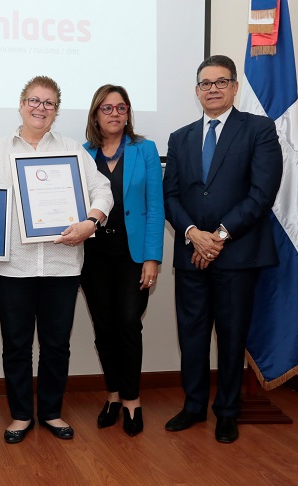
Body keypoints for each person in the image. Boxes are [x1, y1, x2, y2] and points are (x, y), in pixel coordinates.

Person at [0, 76, 113, 444]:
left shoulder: (72, 151)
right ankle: (21, 415)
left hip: (61, 266)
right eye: (34, 101)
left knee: (56, 345)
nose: (40, 108)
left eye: (49, 103)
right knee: (16, 344)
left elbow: (102, 188)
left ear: (56, 111)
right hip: (11, 267)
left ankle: (50, 412)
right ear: (21, 105)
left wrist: (90, 222)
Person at [162, 55, 283, 443]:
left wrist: (220, 237)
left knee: (232, 336)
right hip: (191, 252)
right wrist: (195, 233)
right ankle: (194, 406)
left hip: (238, 254)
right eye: (205, 83)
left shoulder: (259, 129)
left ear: (234, 88)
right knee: (192, 334)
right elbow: (172, 196)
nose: (212, 88)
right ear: (196, 91)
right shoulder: (180, 137)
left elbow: (262, 193)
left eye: (220, 81)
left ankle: (228, 410)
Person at [80, 85, 164, 437]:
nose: (114, 114)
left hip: (133, 255)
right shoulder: (82, 153)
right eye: (107, 108)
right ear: (96, 114)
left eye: (121, 107)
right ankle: (113, 395)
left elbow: (155, 207)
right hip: (93, 256)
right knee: (104, 328)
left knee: (129, 323)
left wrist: (152, 258)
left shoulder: (145, 150)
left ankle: (132, 399)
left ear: (128, 113)